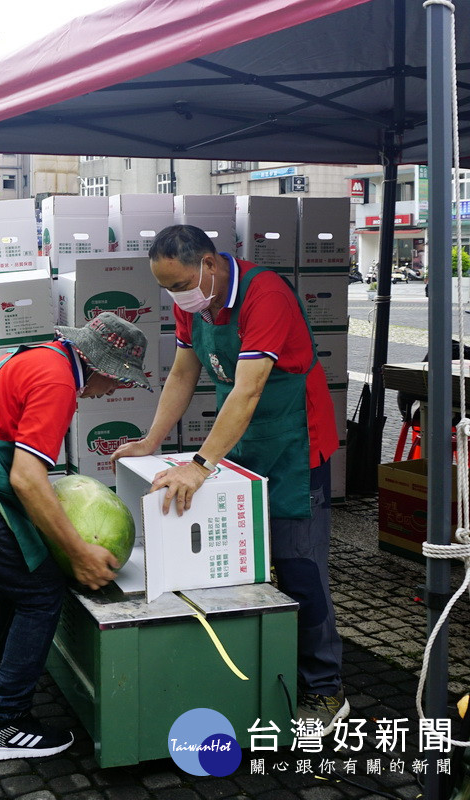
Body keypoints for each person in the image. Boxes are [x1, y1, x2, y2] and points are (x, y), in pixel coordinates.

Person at [112, 224, 345, 732]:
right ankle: (253, 666)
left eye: (179, 285)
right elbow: (182, 372)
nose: (176, 297)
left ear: (210, 265)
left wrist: (198, 465)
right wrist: (153, 440)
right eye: (168, 289)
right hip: (235, 444)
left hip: (291, 444)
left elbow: (249, 388)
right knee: (240, 560)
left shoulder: (265, 294)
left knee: (298, 563)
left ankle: (325, 687)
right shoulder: (193, 303)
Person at [0, 312, 148, 761]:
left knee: (16, 586)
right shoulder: (57, 381)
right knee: (40, 594)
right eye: (120, 381)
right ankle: (3, 725)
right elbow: (27, 478)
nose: (116, 391)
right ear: (103, 368)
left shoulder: (38, 359)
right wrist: (78, 554)